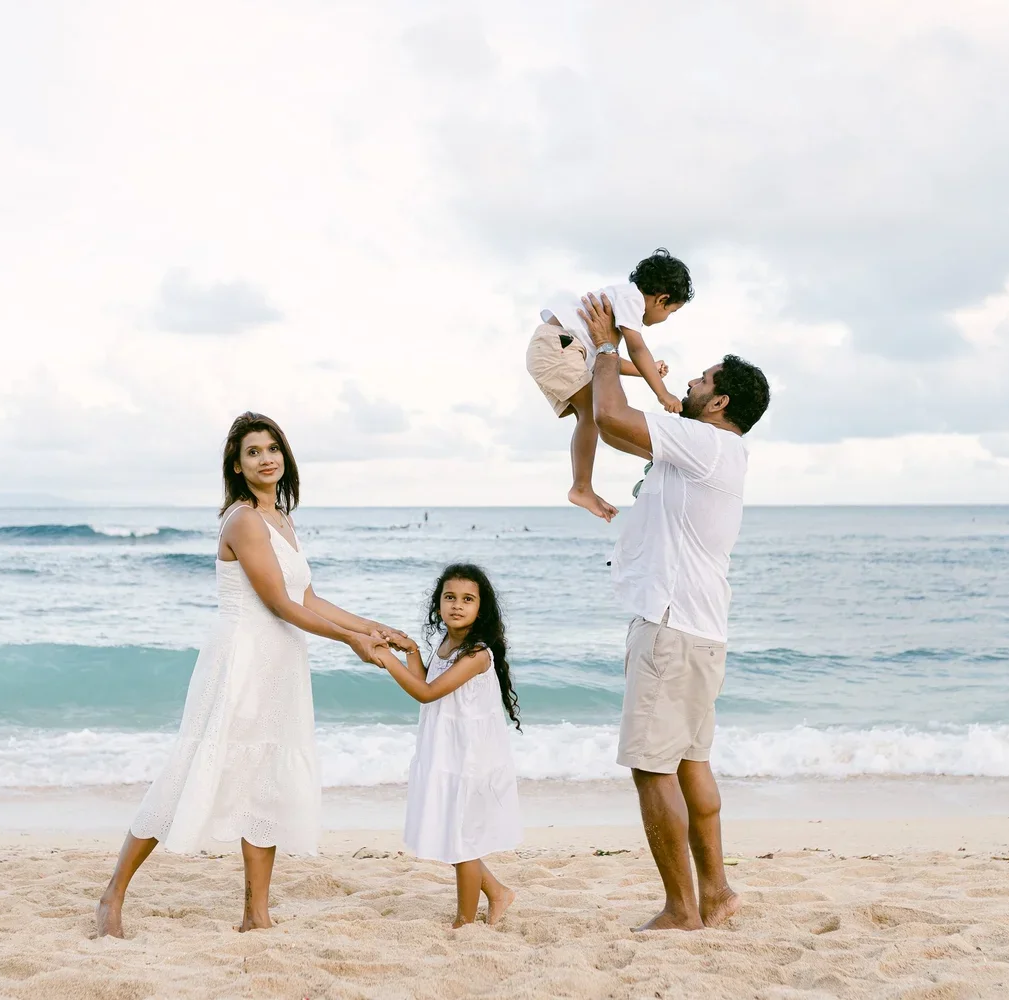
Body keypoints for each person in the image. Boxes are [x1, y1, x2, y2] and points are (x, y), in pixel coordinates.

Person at [95, 412, 401, 937]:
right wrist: (349, 640)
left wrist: (372, 626)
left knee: (266, 781)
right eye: (253, 452)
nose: (266, 459)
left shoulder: (280, 517)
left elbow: (306, 596)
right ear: (237, 467)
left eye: (272, 448)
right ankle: (112, 895)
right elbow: (278, 603)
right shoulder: (242, 520)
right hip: (241, 659)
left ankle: (255, 914)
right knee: (190, 771)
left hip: (281, 661)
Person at [577, 291, 770, 932]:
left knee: (652, 767)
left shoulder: (704, 445)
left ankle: (682, 908)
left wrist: (605, 345)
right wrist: (634, 352)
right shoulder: (713, 451)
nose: (689, 380)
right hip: (700, 629)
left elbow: (609, 417)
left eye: (703, 378)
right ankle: (715, 896)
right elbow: (639, 419)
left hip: (670, 626)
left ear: (719, 403)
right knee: (690, 763)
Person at [371, 564, 523, 928]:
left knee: (461, 839)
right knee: (450, 830)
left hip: (469, 757)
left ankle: (464, 922)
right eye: (450, 597)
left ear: (481, 608)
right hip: (444, 751)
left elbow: (425, 692)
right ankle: (498, 892)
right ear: (438, 603)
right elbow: (427, 681)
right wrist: (408, 650)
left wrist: (387, 659)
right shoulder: (447, 643)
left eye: (468, 599)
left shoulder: (477, 654)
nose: (457, 605)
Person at [526, 249, 694, 522]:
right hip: (558, 346)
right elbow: (637, 350)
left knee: (599, 419)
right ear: (662, 299)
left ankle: (657, 459)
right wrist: (663, 394)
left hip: (559, 348)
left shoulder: (621, 302)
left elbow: (610, 360)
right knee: (595, 412)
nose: (667, 318)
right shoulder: (631, 298)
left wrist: (647, 373)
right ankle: (581, 488)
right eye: (671, 312)